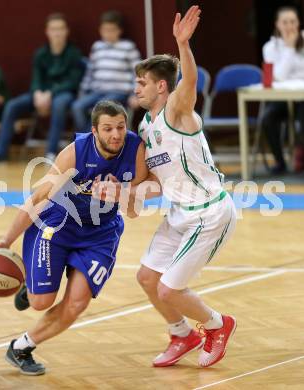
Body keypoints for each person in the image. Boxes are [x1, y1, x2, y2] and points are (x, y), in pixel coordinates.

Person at [93, 6, 237, 369]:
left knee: (168, 289)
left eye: (141, 83)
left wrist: (183, 45)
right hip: (178, 214)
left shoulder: (177, 110)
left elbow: (188, 82)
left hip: (209, 214)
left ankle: (218, 325)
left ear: (160, 86)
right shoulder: (145, 129)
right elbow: (152, 188)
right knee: (146, 277)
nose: (135, 88)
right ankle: (181, 334)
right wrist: (119, 192)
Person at [0, 100, 147, 375]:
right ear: (94, 131)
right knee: (40, 302)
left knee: (77, 302)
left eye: (120, 127)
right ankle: (31, 283)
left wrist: (123, 192)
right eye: (107, 129)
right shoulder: (74, 153)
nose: (115, 135)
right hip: (58, 225)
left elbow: (135, 211)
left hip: (100, 233)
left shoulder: (136, 150)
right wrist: (6, 241)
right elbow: (37, 199)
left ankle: (21, 347)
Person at [0, 13, 84, 164]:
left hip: (63, 94)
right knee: (12, 105)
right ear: (47, 32)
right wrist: (37, 93)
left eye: (60, 29)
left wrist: (50, 94)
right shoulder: (41, 53)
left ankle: (51, 152)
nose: (57, 33)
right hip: (40, 94)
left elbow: (73, 81)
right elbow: (36, 78)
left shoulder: (74, 53)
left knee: (59, 104)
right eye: (53, 29)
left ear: (66, 31)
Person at [71, 10, 140, 133]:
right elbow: (90, 73)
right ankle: (90, 137)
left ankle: (89, 142)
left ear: (119, 30)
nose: (108, 33)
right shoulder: (97, 46)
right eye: (105, 29)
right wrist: (82, 93)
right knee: (77, 106)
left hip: (119, 92)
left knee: (99, 107)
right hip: (97, 91)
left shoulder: (128, 47)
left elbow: (138, 72)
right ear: (100, 30)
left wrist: (135, 95)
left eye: (111, 29)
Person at [262, 5, 304, 174]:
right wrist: (290, 48)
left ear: (298, 23)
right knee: (267, 118)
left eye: (293, 21)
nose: (289, 26)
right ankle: (280, 162)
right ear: (277, 24)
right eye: (285, 22)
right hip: (281, 98)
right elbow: (278, 75)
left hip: (303, 98)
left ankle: (301, 158)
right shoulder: (270, 47)